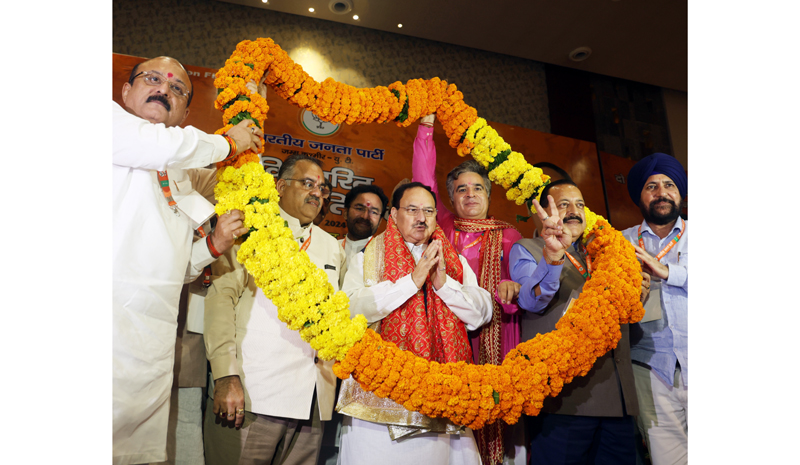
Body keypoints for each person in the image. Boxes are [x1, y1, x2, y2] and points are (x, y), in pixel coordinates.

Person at [112, 56, 263, 465]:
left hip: (152, 341)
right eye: (153, 79)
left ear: (185, 112)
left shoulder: (179, 172)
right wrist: (229, 142)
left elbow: (174, 267)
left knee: (131, 455)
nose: (164, 88)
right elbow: (161, 146)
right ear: (125, 92)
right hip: (107, 323)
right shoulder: (109, 122)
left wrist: (212, 245)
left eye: (178, 89)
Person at [336, 182, 493, 465]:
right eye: (412, 210)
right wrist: (410, 283)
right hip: (380, 401)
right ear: (394, 215)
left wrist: (444, 285)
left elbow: (482, 314)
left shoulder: (453, 260)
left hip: (445, 397)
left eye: (428, 211)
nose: (421, 218)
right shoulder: (368, 258)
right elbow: (350, 309)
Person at [203, 154, 345, 465]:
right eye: (308, 184)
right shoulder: (250, 230)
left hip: (312, 404)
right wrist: (226, 375)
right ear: (279, 186)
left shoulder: (331, 245)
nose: (316, 194)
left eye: (322, 189)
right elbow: (220, 303)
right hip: (252, 395)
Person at [411, 114, 523, 465]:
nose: (470, 194)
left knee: (499, 417)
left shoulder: (509, 236)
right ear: (451, 198)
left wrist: (513, 285)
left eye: (477, 188)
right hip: (446, 335)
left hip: (496, 335)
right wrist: (426, 130)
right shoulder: (442, 226)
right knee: (451, 427)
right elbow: (423, 180)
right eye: (461, 189)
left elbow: (528, 285)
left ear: (489, 196)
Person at [509, 180, 641, 465]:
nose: (573, 211)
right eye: (563, 204)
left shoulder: (604, 253)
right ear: (542, 212)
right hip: (565, 403)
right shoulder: (528, 249)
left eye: (580, 204)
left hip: (619, 400)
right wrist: (553, 257)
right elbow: (532, 302)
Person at [621, 153, 688, 465]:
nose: (661, 192)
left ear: (680, 193)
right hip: (649, 367)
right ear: (640, 196)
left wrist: (666, 272)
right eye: (651, 186)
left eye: (669, 184)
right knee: (668, 459)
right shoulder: (621, 243)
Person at [339, 184, 390, 275]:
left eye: (374, 212)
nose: (365, 216)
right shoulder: (330, 248)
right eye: (359, 208)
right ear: (346, 213)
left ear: (380, 222)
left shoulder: (386, 257)